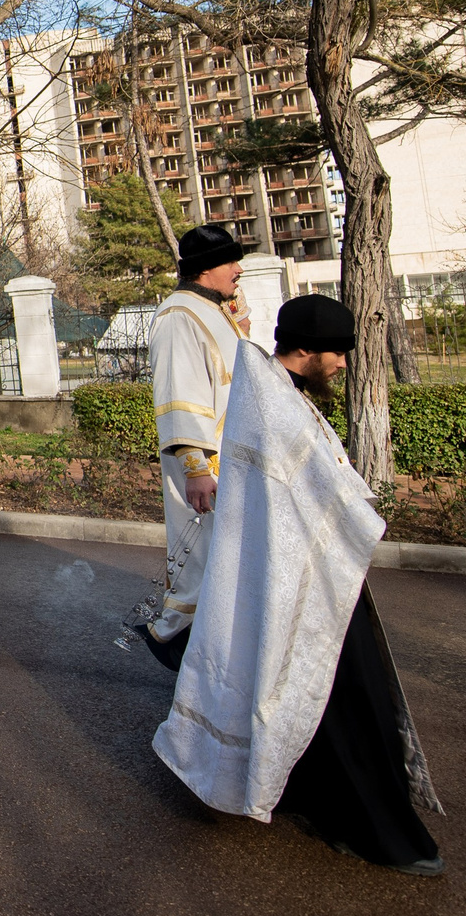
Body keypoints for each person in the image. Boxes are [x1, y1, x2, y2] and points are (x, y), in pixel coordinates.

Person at [154, 294, 445, 876]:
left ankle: (325, 803)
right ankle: (369, 828)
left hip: (311, 571)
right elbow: (321, 495)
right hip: (304, 583)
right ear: (307, 350)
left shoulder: (279, 393)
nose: (342, 365)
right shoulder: (272, 405)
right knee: (339, 700)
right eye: (336, 354)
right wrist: (364, 514)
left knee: (319, 697)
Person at [144, 223, 249, 663]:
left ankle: (213, 661)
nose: (239, 270)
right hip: (205, 470)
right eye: (231, 262)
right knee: (202, 564)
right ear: (206, 269)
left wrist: (242, 327)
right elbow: (179, 394)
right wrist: (196, 468)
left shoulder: (211, 310)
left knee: (224, 566)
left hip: (230, 463)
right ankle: (171, 643)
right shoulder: (177, 317)